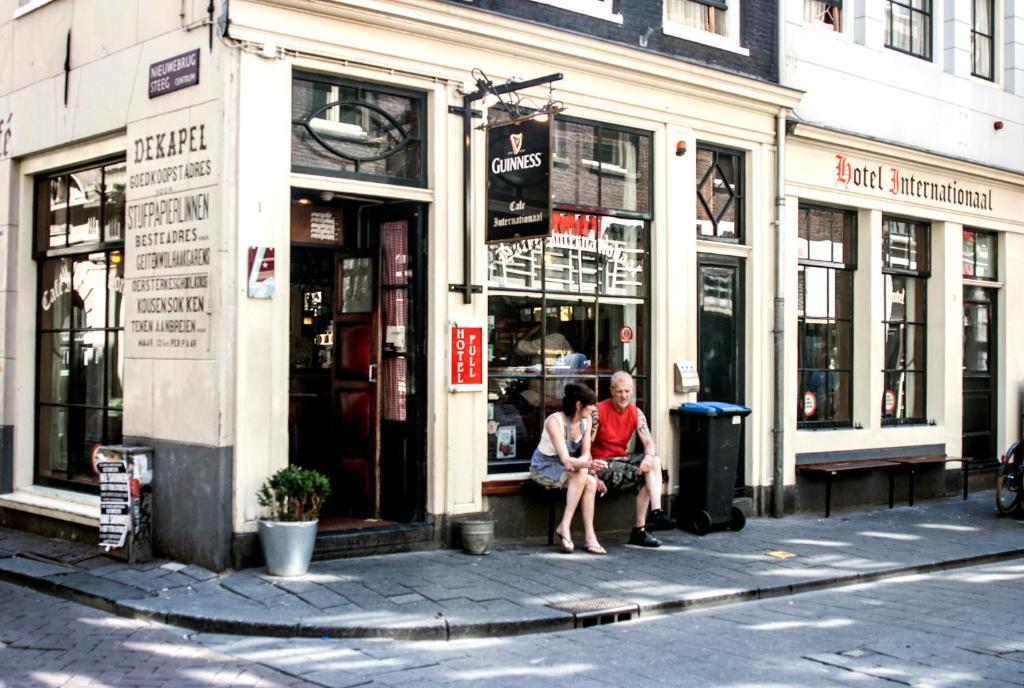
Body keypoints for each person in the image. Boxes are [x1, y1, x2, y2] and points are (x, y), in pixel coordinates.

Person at [592, 371, 675, 547]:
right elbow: (583, 448)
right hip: (601, 464)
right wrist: (592, 474)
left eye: (628, 391)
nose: (624, 396)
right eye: (620, 391)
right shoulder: (598, 412)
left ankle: (651, 517)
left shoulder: (636, 413)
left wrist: (648, 456)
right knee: (650, 471)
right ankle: (648, 522)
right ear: (612, 391)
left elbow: (649, 443)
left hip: (620, 462)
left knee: (655, 462)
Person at [529, 383, 606, 555]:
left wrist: (588, 465)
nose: (594, 408)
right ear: (579, 405)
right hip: (544, 466)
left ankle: (588, 535)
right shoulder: (554, 421)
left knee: (591, 482)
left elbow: (586, 453)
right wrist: (587, 465)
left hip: (570, 467)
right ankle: (566, 526)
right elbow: (565, 459)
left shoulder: (586, 421)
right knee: (584, 474)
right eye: (591, 404)